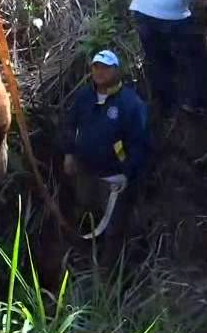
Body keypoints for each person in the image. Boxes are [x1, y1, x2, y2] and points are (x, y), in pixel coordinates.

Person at [61, 49, 148, 263]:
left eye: (106, 67)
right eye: (96, 66)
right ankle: (82, 264)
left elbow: (141, 143)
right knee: (86, 216)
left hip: (114, 181)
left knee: (113, 230)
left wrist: (127, 174)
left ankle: (109, 277)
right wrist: (69, 154)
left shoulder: (131, 104)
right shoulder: (84, 97)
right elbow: (69, 125)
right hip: (85, 174)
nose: (100, 72)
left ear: (117, 71)